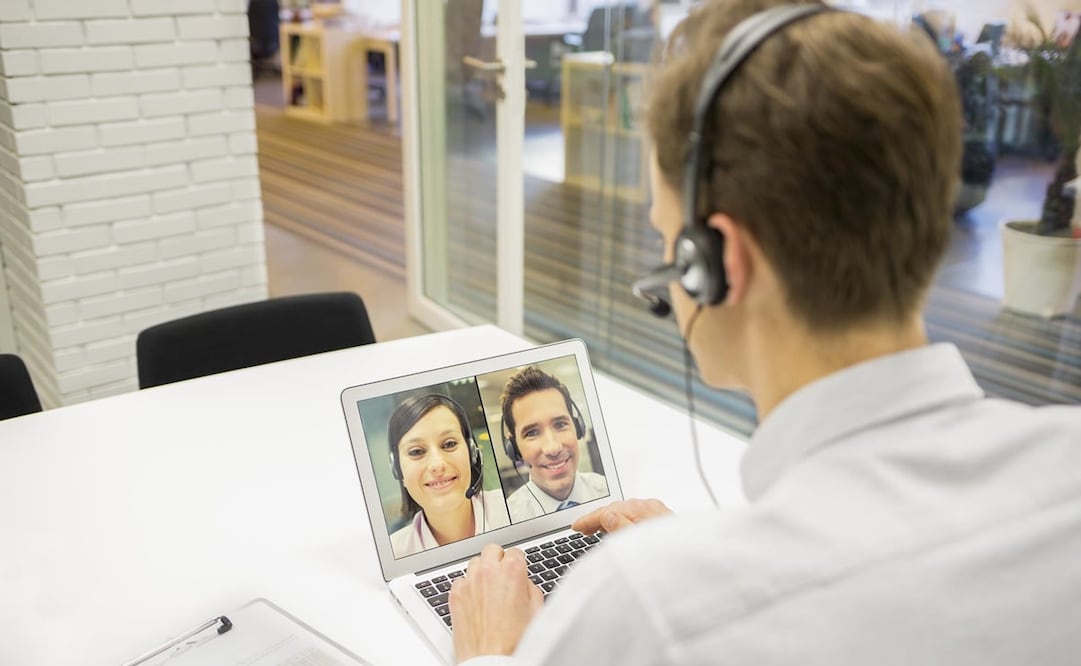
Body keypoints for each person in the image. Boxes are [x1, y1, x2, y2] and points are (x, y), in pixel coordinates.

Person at [447, 1, 1081, 664]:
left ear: (716, 264)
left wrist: (491, 650)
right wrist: (716, 563)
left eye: (665, 240)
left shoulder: (643, 611)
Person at [387, 393, 510, 558]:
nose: (437, 465)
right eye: (416, 451)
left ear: (472, 453)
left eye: (449, 444)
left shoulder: (515, 509)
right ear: (397, 469)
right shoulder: (394, 554)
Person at [500, 366, 609, 520]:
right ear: (514, 447)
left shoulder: (610, 493)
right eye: (532, 433)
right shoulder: (507, 519)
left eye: (560, 424)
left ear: (578, 427)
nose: (553, 448)